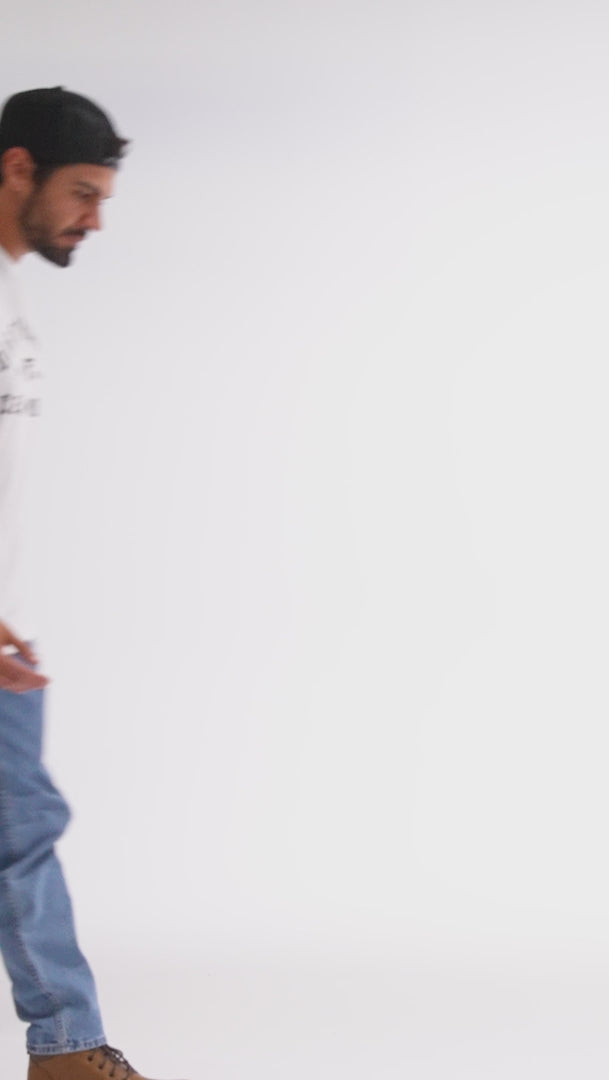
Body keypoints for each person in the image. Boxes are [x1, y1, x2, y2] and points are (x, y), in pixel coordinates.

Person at [0, 87, 182, 1080]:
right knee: (22, 830)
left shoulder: (12, 299)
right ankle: (67, 1050)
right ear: (16, 168)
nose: (95, 220)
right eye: (82, 192)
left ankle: (68, 1049)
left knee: (19, 830)